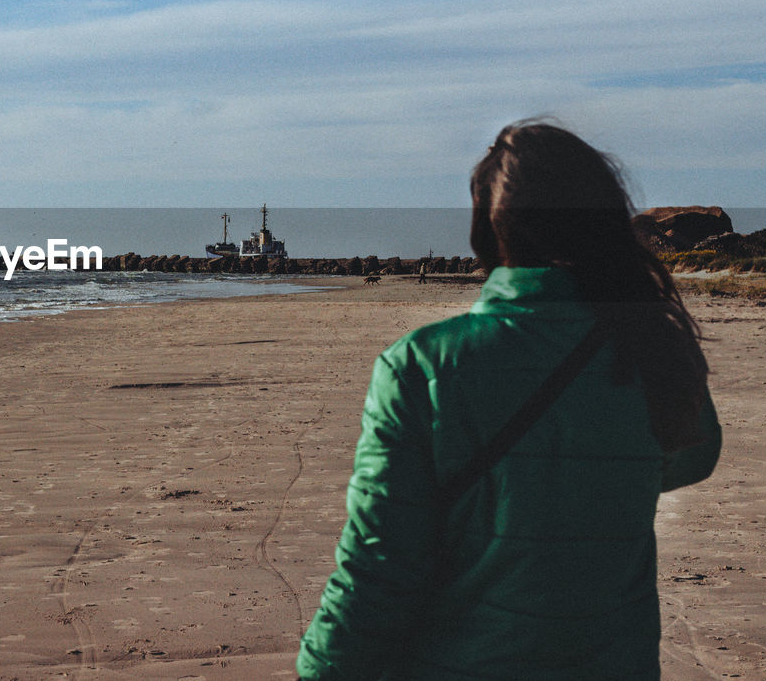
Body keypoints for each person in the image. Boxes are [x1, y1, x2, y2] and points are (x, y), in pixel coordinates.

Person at [297, 121, 721, 680]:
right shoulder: (653, 350)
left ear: (488, 230)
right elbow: (692, 456)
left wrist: (320, 671)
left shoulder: (423, 367)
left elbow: (377, 566)